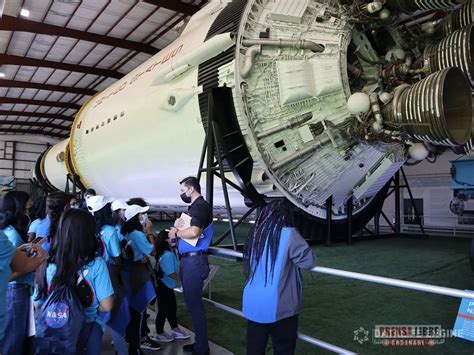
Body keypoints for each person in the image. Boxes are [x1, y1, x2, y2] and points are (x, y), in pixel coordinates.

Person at [242, 200, 316, 355]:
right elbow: (309, 262)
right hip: (281, 306)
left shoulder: (256, 234)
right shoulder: (289, 234)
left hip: (254, 303)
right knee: (284, 348)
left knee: (254, 349)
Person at [35, 208, 114, 354]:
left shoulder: (47, 263)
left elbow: (37, 302)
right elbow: (107, 306)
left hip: (55, 330)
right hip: (88, 328)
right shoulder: (96, 264)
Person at [168, 176, 213, 355]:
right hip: (189, 260)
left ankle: (202, 348)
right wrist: (176, 233)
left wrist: (177, 233)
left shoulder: (200, 207)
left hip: (194, 262)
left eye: (182, 190)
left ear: (191, 189)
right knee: (193, 305)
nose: (182, 193)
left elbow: (195, 231)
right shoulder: (194, 208)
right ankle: (200, 345)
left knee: (195, 306)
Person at [1, 191, 46, 354]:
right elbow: (14, 269)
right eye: (28, 205)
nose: (30, 208)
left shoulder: (8, 231)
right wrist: (36, 261)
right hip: (16, 290)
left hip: (16, 290)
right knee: (14, 337)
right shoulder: (11, 234)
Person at [87, 196, 129, 355]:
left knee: (94, 316)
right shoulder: (110, 231)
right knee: (115, 316)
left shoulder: (89, 228)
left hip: (91, 275)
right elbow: (117, 257)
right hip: (108, 274)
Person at [121, 203, 159, 353]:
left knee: (131, 311)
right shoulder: (137, 234)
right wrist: (149, 232)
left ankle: (130, 343)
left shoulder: (126, 231)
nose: (145, 217)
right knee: (138, 311)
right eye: (141, 214)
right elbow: (152, 251)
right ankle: (135, 347)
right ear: (136, 217)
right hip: (137, 274)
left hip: (129, 273)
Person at [152, 230, 190, 343]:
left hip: (165, 286)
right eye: (172, 237)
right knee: (164, 310)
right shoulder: (168, 255)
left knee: (171, 308)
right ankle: (159, 333)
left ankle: (174, 328)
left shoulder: (164, 253)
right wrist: (183, 279)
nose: (175, 239)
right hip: (165, 286)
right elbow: (170, 273)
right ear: (166, 240)